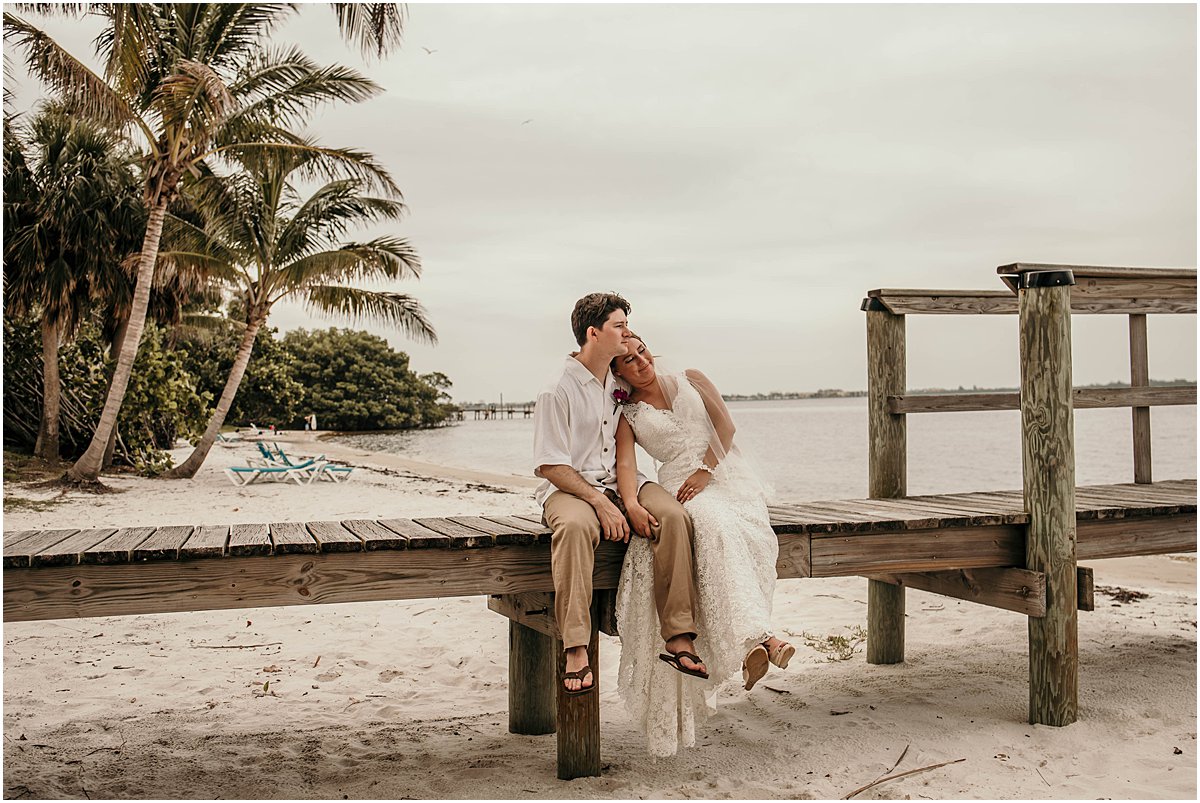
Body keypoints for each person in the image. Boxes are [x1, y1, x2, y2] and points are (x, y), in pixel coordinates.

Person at [610, 334, 795, 756]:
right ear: (618, 372)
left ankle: (758, 642)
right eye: (629, 361)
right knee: (709, 523)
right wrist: (634, 504)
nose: (641, 362)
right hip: (680, 487)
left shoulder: (692, 379)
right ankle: (762, 641)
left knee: (730, 526)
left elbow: (725, 428)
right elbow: (625, 465)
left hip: (723, 474)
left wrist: (706, 471)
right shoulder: (628, 415)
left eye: (642, 351)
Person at [533, 292, 708, 697]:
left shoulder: (618, 381)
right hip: (571, 488)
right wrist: (599, 504)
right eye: (619, 326)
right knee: (576, 528)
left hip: (625, 483)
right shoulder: (556, 389)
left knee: (676, 516)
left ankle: (679, 636)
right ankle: (576, 647)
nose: (627, 333)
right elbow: (549, 465)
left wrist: (627, 501)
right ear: (593, 333)